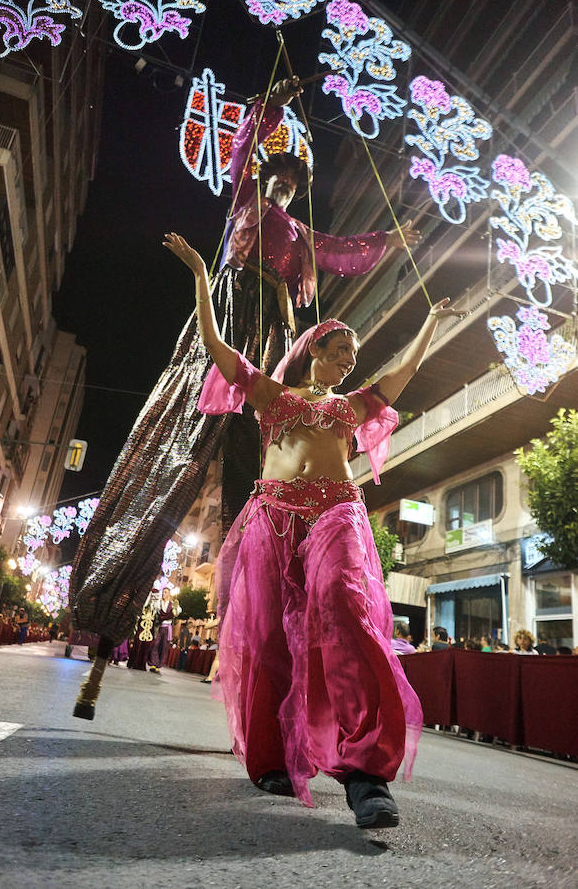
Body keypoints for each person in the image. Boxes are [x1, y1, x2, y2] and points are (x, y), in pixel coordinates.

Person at [69, 76, 420, 668]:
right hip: (233, 311)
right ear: (267, 179)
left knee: (253, 469)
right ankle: (112, 605)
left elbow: (342, 248)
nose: (285, 187)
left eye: (295, 183)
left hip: (273, 335)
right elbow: (241, 148)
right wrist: (271, 105)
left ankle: (259, 620)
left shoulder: (302, 233)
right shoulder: (245, 202)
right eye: (279, 178)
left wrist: (389, 236)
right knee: (180, 450)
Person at [163, 230, 464, 829]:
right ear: (312, 349)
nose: (349, 358)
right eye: (340, 348)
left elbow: (400, 374)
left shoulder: (349, 406)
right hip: (272, 515)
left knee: (345, 614)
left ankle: (365, 773)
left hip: (336, 515)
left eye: (353, 353)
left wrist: (430, 321)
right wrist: (202, 275)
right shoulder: (272, 395)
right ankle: (271, 758)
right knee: (270, 637)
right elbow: (215, 346)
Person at [148, 585, 174, 674]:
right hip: (158, 627)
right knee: (155, 644)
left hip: (167, 628)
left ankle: (158, 665)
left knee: (164, 647)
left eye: (165, 592)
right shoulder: (158, 603)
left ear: (169, 594)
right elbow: (154, 611)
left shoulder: (172, 604)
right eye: (163, 592)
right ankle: (153, 663)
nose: (163, 593)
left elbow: (176, 613)